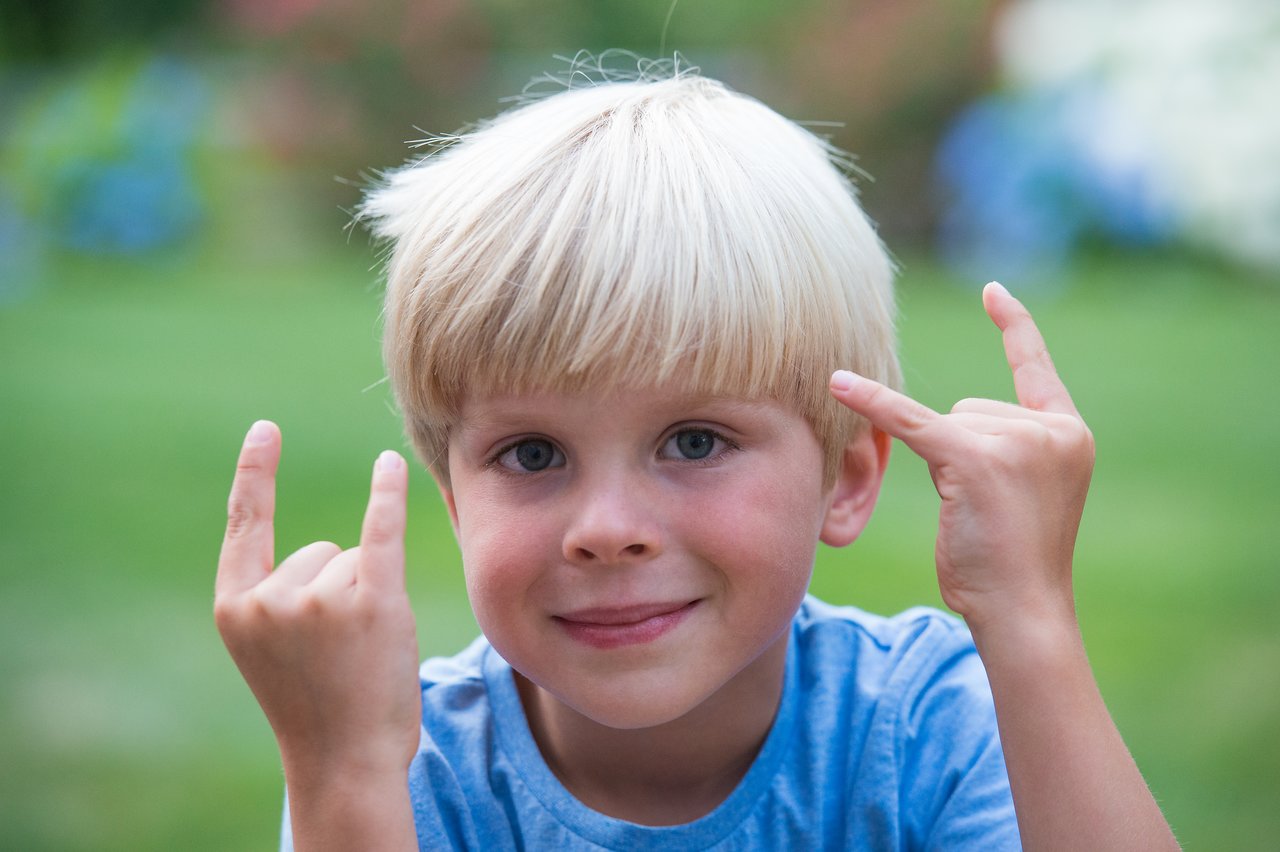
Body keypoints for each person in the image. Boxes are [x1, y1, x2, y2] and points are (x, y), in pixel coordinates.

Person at [213, 63, 1180, 850]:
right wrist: (338, 774)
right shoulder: (396, 758)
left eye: (694, 441)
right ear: (458, 502)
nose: (607, 532)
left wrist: (1030, 616)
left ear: (846, 478)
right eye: (532, 453)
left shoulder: (919, 724)